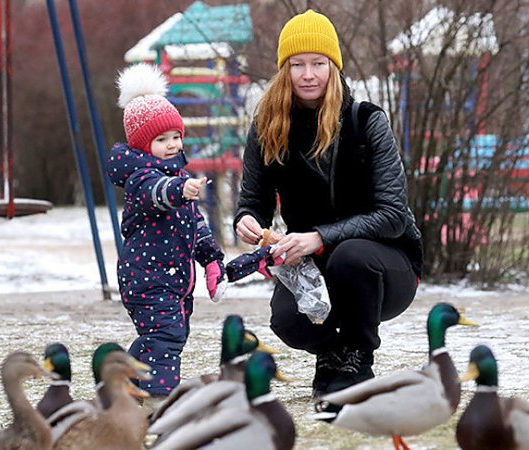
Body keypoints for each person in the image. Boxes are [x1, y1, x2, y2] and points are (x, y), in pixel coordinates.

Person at [233, 10, 423, 397]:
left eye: (318, 63)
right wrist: (247, 219)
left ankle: (358, 357)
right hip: (311, 264)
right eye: (298, 64)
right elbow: (253, 200)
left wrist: (319, 237)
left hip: (386, 266)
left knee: (350, 256)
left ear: (333, 67)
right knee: (287, 320)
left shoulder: (366, 121)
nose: (308, 74)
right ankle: (334, 355)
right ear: (284, 69)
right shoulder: (267, 126)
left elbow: (392, 215)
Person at [107, 64, 226, 408]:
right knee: (165, 335)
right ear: (144, 146)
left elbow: (195, 225)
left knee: (169, 336)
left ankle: (128, 383)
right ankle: (157, 398)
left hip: (173, 278)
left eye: (176, 136)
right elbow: (158, 193)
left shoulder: (179, 175)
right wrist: (179, 189)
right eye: (162, 140)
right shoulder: (141, 179)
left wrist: (211, 258)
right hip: (147, 278)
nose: (172, 144)